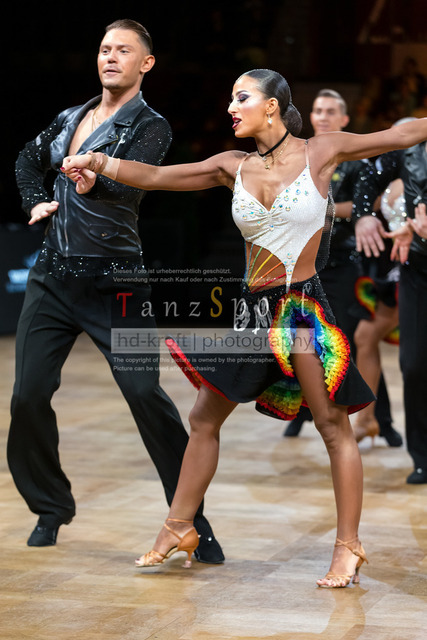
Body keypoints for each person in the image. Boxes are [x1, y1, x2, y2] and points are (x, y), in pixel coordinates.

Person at [62, 69, 427, 586]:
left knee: (331, 425)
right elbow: (158, 177)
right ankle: (179, 526)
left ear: (272, 105)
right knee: (204, 417)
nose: (231, 107)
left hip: (301, 313)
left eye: (242, 97)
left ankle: (348, 546)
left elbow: (401, 134)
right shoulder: (231, 166)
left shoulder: (321, 151)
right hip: (252, 315)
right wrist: (98, 162)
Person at [7, 19, 224, 563]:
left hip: (116, 284)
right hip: (53, 278)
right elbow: (26, 159)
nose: (110, 57)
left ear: (145, 63)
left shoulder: (151, 126)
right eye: (105, 48)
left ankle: (191, 520)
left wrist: (94, 180)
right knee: (27, 396)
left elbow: (134, 182)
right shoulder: (69, 117)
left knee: (145, 395)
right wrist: (36, 199)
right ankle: (51, 507)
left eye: (123, 50)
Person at [284, 89, 401, 448]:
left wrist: (324, 209)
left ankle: (379, 418)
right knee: (303, 340)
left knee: (352, 342)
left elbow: (373, 203)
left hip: (347, 261)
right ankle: (301, 413)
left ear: (345, 119)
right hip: (305, 262)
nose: (323, 116)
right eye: (318, 110)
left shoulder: (354, 157)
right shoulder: (298, 156)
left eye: (331, 111)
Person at [354, 137, 427, 484]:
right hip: (415, 271)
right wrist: (363, 217)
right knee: (413, 365)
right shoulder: (409, 150)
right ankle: (422, 456)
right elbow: (367, 179)